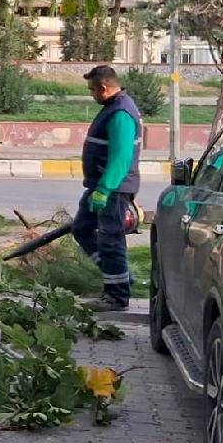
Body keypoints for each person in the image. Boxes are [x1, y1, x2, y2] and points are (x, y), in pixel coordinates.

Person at [72, 65, 142, 312]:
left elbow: (121, 158)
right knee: (81, 229)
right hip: (99, 186)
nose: (92, 95)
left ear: (103, 88)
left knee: (110, 240)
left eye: (92, 90)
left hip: (112, 189)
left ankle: (116, 295)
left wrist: (105, 189)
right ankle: (119, 275)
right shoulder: (113, 107)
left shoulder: (121, 112)